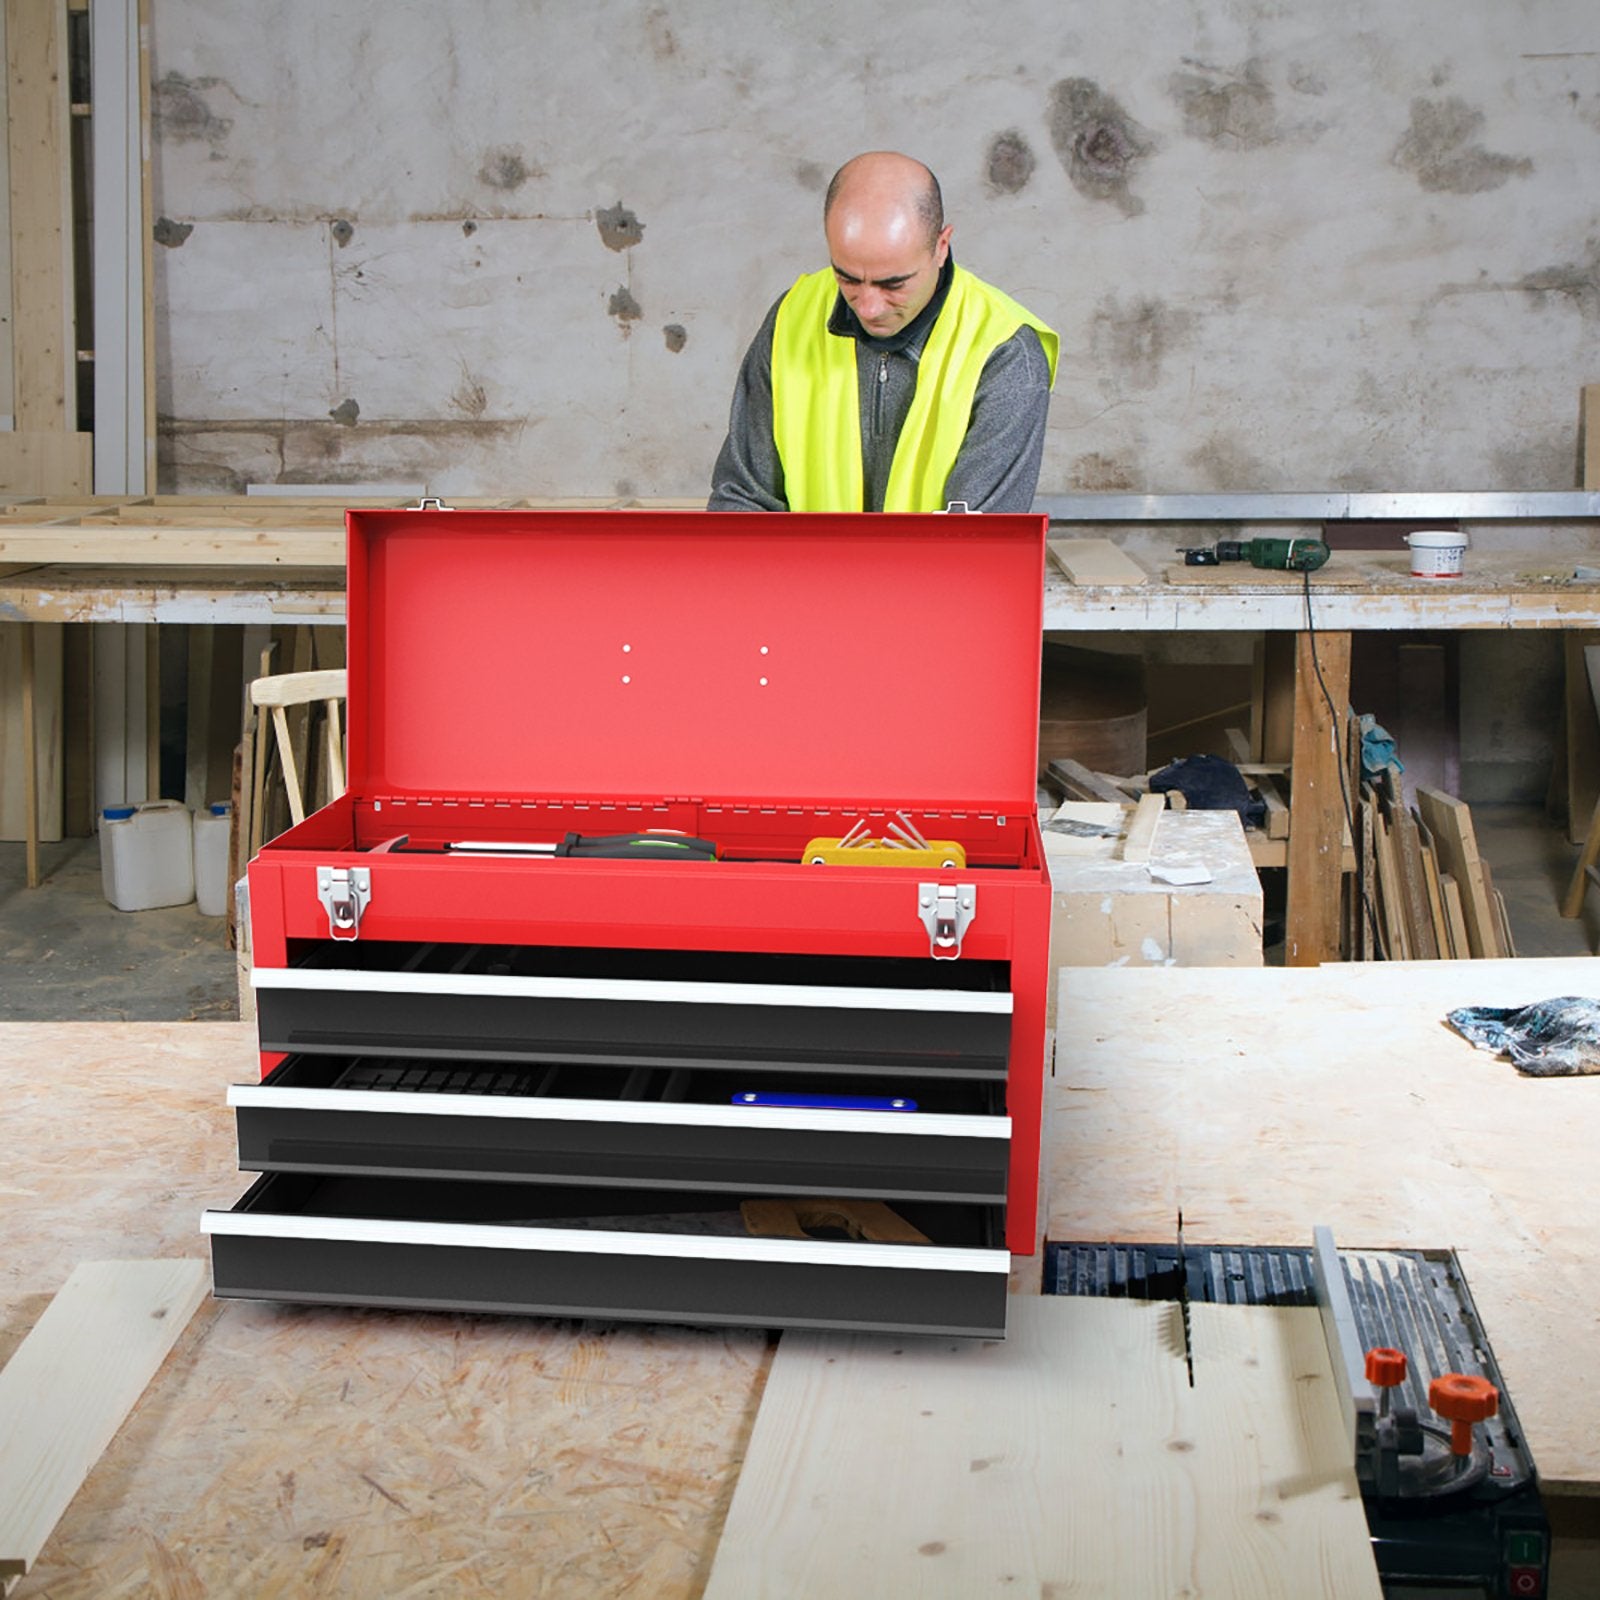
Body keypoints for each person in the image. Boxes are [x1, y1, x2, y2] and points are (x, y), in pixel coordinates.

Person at [708, 150, 1057, 514]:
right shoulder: (792, 318)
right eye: (846, 277)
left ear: (941, 246)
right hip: (800, 572)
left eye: (893, 284)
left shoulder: (1003, 349)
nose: (868, 307)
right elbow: (742, 500)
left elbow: (975, 546)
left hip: (932, 573)